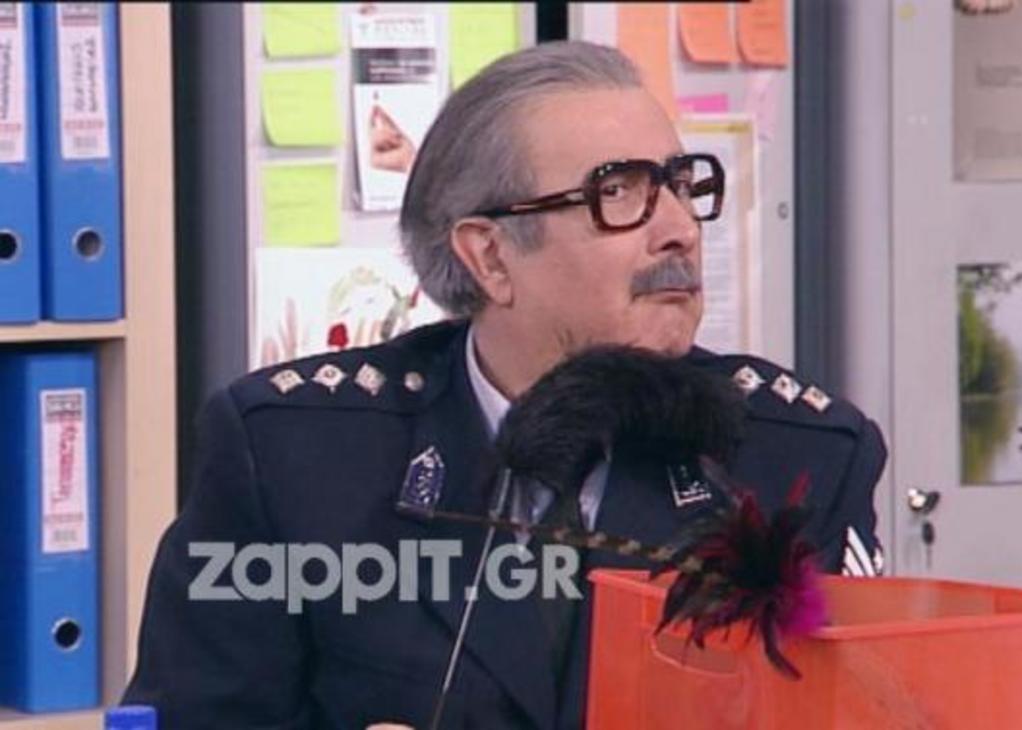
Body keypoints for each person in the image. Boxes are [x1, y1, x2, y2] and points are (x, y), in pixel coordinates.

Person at [124, 41, 886, 729]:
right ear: (489, 258)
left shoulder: (801, 460)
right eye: (621, 192)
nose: (681, 228)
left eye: (682, 185)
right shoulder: (292, 456)